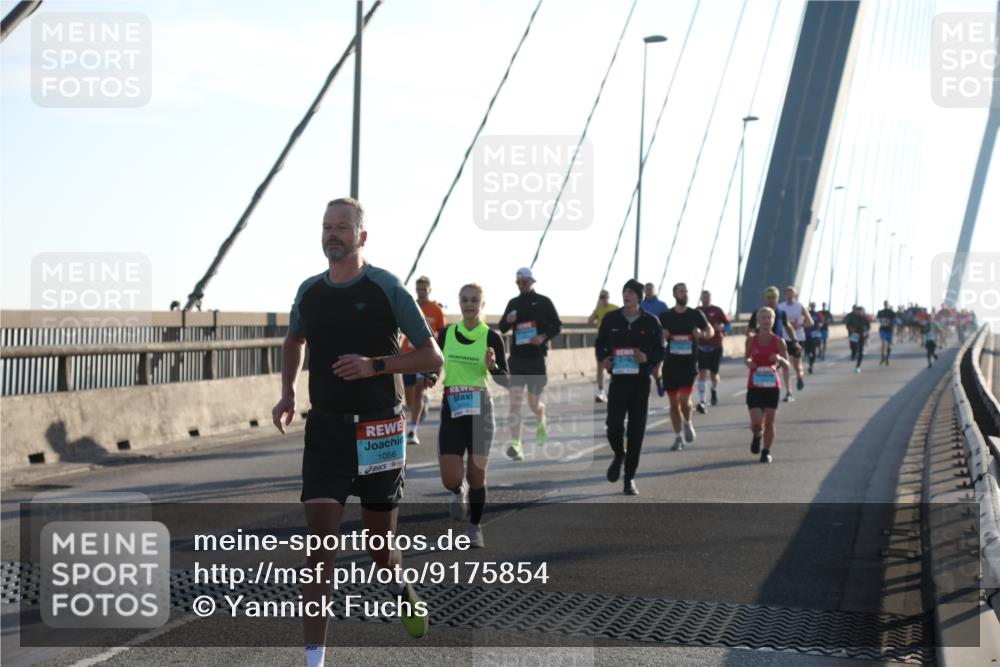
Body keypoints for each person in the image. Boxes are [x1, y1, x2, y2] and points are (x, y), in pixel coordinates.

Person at [272, 197, 441, 664]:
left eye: (343, 227)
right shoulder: (309, 292)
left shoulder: (386, 287)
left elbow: (432, 358)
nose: (333, 234)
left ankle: (402, 588)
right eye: (327, 226)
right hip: (325, 431)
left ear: (361, 236)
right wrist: (287, 392)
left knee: (379, 547)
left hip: (379, 431)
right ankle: (314, 659)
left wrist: (375, 366)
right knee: (319, 547)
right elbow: (294, 339)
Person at [427, 283, 509, 548]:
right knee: (450, 478)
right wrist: (430, 377)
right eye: (465, 300)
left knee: (477, 476)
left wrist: (493, 365)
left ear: (482, 304)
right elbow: (435, 366)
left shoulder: (492, 338)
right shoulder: (446, 334)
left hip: (481, 412)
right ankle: (457, 491)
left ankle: (475, 527)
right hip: (453, 408)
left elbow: (506, 381)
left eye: (475, 300)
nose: (469, 304)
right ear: (459, 303)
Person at [596, 279, 665, 495]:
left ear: (639, 296)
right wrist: (604, 358)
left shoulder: (650, 322)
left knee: (636, 432)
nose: (626, 295)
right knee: (613, 425)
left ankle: (629, 478)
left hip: (640, 383)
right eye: (624, 291)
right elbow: (600, 344)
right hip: (618, 381)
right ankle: (619, 453)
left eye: (631, 292)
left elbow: (661, 351)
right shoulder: (611, 319)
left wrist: (647, 358)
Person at [498, 267, 562, 461]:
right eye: (519, 282)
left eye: (525, 282)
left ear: (532, 282)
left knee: (533, 403)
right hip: (517, 358)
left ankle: (541, 415)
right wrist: (508, 320)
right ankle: (516, 445)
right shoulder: (513, 303)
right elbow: (502, 328)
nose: (522, 285)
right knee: (515, 403)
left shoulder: (543, 302)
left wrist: (543, 336)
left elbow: (557, 325)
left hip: (536, 359)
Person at [659, 283, 713, 451]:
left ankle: (688, 422)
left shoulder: (695, 314)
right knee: (673, 404)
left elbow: (710, 330)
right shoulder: (665, 316)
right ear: (675, 294)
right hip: (670, 364)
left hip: (689, 363)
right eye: (682, 291)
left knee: (684, 401)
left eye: (686, 291)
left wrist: (702, 334)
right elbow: (656, 336)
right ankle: (677, 437)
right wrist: (663, 335)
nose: (685, 294)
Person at [402, 276, 447, 444]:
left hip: (425, 356)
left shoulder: (436, 310)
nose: (422, 292)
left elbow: (442, 336)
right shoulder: (409, 306)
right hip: (408, 354)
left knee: (419, 389)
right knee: (409, 397)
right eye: (419, 289)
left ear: (430, 290)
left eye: (425, 289)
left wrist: (438, 361)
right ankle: (423, 404)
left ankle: (412, 431)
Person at [745, 307, 790, 463]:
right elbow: (747, 358)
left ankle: (766, 451)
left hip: (772, 386)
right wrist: (750, 363)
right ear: (758, 321)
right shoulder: (751, 340)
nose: (765, 321)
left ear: (773, 320)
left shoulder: (779, 341)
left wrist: (778, 359)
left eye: (769, 318)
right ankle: (757, 436)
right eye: (763, 318)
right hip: (755, 385)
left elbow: (787, 365)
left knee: (769, 422)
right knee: (757, 422)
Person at [695, 289, 731, 413]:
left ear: (711, 298)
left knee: (714, 375)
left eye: (708, 297)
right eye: (704, 297)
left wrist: (721, 327)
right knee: (702, 372)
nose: (706, 299)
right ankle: (702, 401)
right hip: (701, 347)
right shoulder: (696, 311)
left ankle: (714, 390)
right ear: (701, 298)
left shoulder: (717, 310)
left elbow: (728, 325)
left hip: (716, 346)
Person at [775, 286, 811, 402]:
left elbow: (810, 322)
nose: (789, 296)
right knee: (786, 365)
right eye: (787, 294)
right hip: (783, 339)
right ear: (784, 295)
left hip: (798, 339)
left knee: (797, 365)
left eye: (792, 294)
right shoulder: (780, 307)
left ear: (795, 295)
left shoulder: (800, 306)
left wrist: (799, 325)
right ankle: (789, 392)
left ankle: (800, 375)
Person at [588, 289, 619, 403]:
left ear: (609, 297)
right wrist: (596, 309)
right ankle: (601, 390)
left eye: (605, 297)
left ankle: (613, 387)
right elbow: (589, 321)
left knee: (613, 364)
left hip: (613, 340)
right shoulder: (598, 309)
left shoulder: (614, 307)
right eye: (601, 297)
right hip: (601, 340)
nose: (604, 299)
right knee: (600, 365)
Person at [641, 282, 669, 396]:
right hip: (643, 340)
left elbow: (668, 320)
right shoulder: (640, 304)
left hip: (658, 339)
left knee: (656, 369)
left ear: (654, 290)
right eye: (646, 289)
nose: (648, 291)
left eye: (650, 289)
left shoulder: (662, 305)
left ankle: (659, 381)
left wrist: (666, 330)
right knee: (644, 368)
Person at [844, 305, 871, 372]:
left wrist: (866, 334)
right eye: (859, 311)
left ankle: (858, 366)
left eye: (861, 311)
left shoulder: (865, 319)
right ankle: (853, 354)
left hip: (861, 336)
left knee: (861, 352)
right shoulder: (852, 317)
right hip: (853, 336)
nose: (860, 312)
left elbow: (868, 327)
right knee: (853, 347)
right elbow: (847, 325)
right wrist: (851, 330)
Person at [875, 300, 896, 366]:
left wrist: (891, 323)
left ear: (888, 305)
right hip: (883, 330)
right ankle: (882, 356)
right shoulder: (880, 312)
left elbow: (895, 320)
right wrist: (881, 320)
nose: (886, 305)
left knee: (889, 345)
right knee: (883, 343)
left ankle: (887, 358)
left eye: (887, 304)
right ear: (883, 304)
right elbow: (877, 319)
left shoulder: (891, 312)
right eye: (885, 304)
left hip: (889, 330)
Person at [803, 301, 822, 374]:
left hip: (815, 335)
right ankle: (808, 355)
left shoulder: (818, 314)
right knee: (808, 351)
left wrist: (818, 327)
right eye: (812, 306)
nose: (813, 307)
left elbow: (821, 322)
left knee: (813, 351)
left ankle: (811, 366)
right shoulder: (807, 314)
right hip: (807, 335)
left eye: (814, 306)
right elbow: (803, 322)